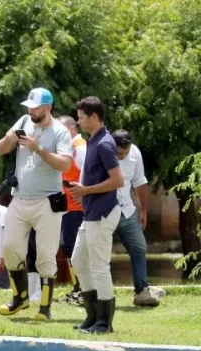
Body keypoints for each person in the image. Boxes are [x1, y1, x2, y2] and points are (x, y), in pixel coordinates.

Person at [0, 88, 72, 321]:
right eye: (29, 106)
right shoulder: (23, 120)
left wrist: (37, 147)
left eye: (36, 107)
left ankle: (45, 308)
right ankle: (20, 298)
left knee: (45, 256)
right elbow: (0, 150)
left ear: (48, 107)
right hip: (19, 198)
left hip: (47, 200)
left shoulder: (60, 132)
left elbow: (65, 166)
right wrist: (9, 139)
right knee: (9, 248)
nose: (31, 110)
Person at [69, 96, 124, 334]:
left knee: (99, 266)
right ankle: (92, 316)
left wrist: (86, 190)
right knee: (79, 261)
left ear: (94, 117)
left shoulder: (104, 144)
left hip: (103, 214)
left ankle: (104, 323)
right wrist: (82, 191)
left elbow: (117, 180)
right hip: (90, 213)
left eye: (82, 117)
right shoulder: (92, 141)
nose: (79, 121)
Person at [112, 129, 165, 307]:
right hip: (104, 211)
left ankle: (142, 291)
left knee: (139, 248)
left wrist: (143, 211)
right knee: (98, 253)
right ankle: (93, 293)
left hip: (127, 210)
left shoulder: (134, 152)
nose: (122, 156)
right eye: (119, 153)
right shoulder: (102, 152)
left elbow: (140, 181)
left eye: (125, 153)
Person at [57, 115, 87, 295]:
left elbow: (91, 173)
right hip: (67, 207)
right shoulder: (70, 149)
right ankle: (78, 287)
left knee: (71, 246)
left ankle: (81, 288)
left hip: (77, 208)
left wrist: (85, 194)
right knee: (69, 246)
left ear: (71, 129)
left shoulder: (80, 147)